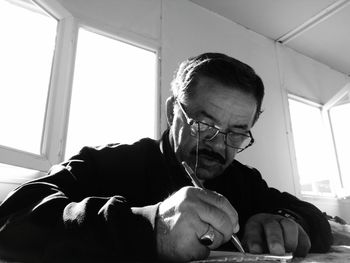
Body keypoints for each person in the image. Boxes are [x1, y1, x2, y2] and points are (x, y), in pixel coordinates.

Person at [0, 53, 332, 262]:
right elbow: (12, 218)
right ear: (173, 110)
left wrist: (287, 223)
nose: (219, 145)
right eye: (205, 124)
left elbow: (312, 216)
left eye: (237, 132)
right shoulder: (110, 163)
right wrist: (149, 228)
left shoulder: (245, 181)